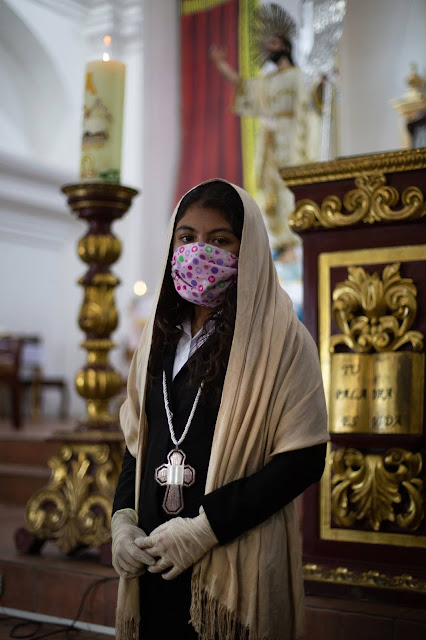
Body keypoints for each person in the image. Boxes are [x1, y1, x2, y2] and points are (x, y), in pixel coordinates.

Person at [111, 179, 329, 640]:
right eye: (186, 238)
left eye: (219, 239)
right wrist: (121, 520)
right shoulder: (157, 338)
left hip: (232, 554)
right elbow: (138, 438)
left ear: (246, 249)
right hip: (154, 554)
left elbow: (303, 458)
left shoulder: (284, 342)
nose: (198, 251)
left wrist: (205, 528)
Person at [210, 4, 319, 258]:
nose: (269, 48)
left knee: (289, 187)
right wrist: (222, 65)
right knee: (270, 188)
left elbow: (308, 106)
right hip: (269, 139)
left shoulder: (297, 76)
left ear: (285, 45)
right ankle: (279, 243)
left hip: (291, 136)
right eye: (267, 43)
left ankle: (295, 240)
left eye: (273, 42)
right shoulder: (265, 82)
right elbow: (242, 86)